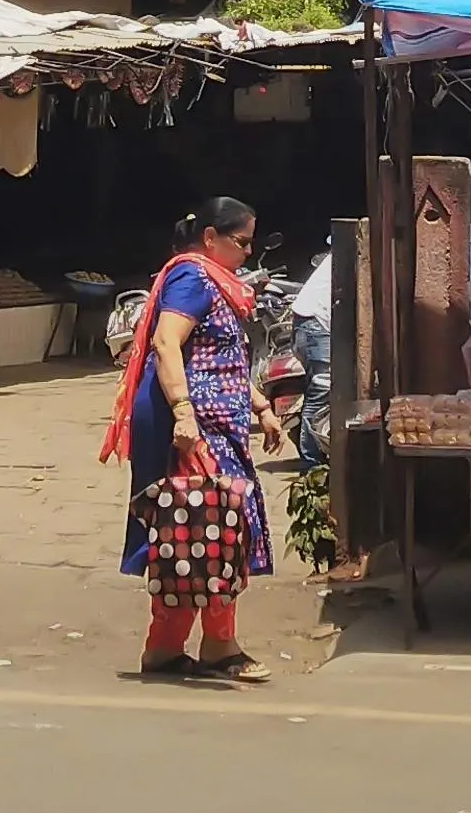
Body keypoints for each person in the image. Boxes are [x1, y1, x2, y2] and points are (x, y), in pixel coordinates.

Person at [100, 195, 270, 682]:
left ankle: (167, 649)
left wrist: (260, 406)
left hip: (217, 424)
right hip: (195, 430)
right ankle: (216, 645)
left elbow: (224, 358)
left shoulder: (213, 282)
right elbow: (166, 342)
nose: (247, 254)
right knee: (209, 529)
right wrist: (183, 415)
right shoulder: (194, 278)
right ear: (211, 238)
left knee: (195, 530)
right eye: (240, 243)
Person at [287, 240, 334, 470]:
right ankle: (312, 464)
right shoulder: (351, 254)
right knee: (322, 389)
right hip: (316, 324)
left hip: (311, 323)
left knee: (321, 392)